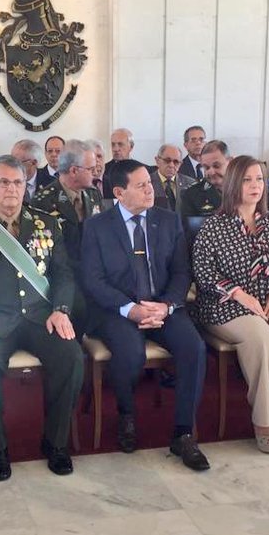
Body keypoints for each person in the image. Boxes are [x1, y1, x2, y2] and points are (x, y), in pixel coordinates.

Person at [0, 155, 84, 482]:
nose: (11, 189)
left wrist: (61, 310)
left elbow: (64, 275)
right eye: (4, 182)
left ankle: (56, 442)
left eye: (18, 182)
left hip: (40, 318)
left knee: (72, 355)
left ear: (26, 186)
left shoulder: (46, 222)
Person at [81, 159, 210, 471]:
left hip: (162, 306)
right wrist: (132, 310)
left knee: (193, 348)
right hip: (117, 310)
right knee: (130, 352)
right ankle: (126, 414)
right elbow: (93, 280)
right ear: (119, 192)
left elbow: (182, 272)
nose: (150, 189)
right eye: (141, 185)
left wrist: (165, 306)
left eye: (149, 183)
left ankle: (184, 432)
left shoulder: (168, 221)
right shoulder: (96, 226)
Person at [191, 156, 269, 453]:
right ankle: (263, 420)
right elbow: (204, 273)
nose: (256, 186)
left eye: (259, 179)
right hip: (227, 304)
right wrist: (241, 295)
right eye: (247, 180)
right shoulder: (214, 227)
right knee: (260, 337)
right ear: (233, 184)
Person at [30, 140, 102, 337]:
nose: (95, 172)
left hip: (92, 271)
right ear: (73, 171)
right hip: (61, 274)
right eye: (90, 168)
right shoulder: (43, 201)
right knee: (79, 307)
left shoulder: (93, 194)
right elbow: (43, 252)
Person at [181, 139, 230, 217]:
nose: (211, 172)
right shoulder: (192, 194)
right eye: (206, 167)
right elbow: (188, 227)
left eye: (216, 166)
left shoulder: (245, 189)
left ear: (230, 162)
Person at [149, 144, 195, 212]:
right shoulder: (147, 183)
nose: (171, 165)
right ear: (157, 160)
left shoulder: (191, 184)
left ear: (180, 164)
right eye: (167, 160)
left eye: (176, 162)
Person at [102, 128, 138, 195]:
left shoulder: (142, 170)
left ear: (131, 147)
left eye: (120, 144)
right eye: (113, 145)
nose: (116, 149)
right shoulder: (103, 171)